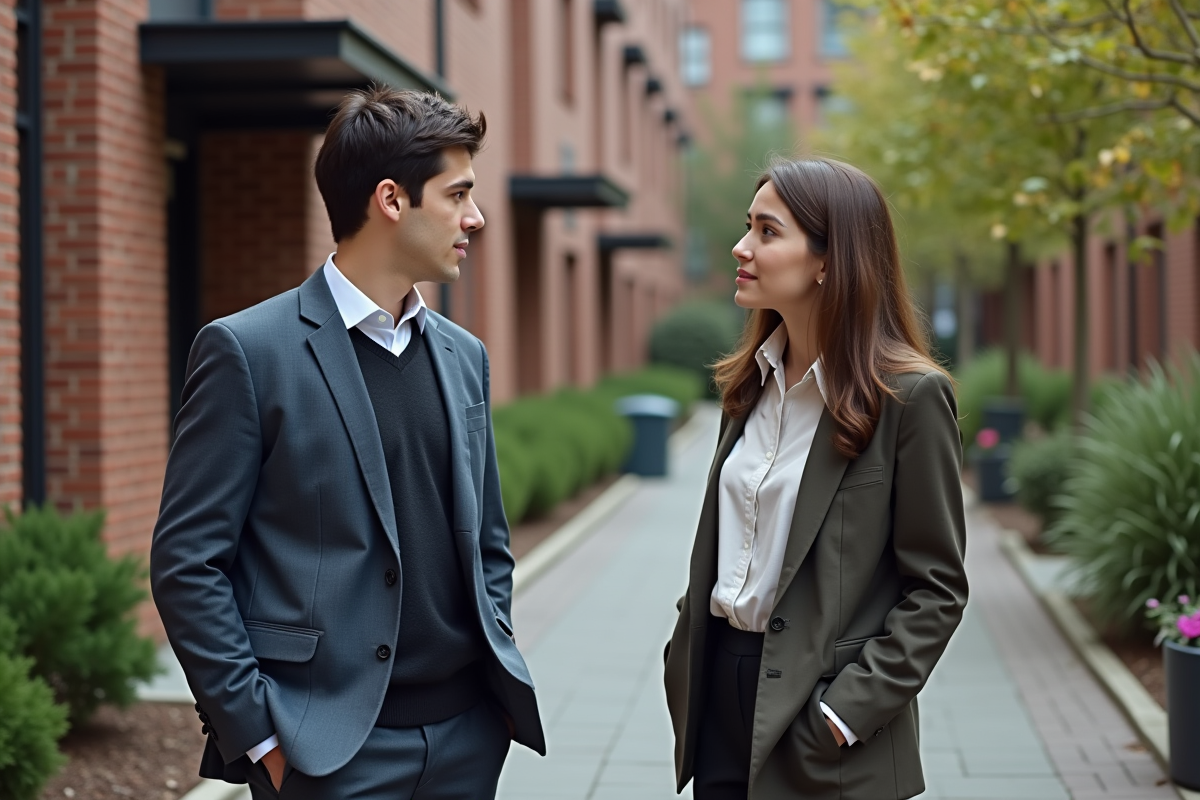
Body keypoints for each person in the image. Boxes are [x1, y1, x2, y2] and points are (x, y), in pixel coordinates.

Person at [150, 87, 544, 799]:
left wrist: (492, 693)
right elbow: (189, 563)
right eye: (457, 195)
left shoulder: (465, 357)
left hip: (468, 742)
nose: (475, 218)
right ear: (391, 200)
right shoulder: (247, 352)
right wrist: (260, 736)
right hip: (326, 757)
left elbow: (487, 540)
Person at [663, 157, 968, 800]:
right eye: (748, 227)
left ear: (831, 259)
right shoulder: (748, 387)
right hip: (719, 697)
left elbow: (937, 589)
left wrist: (844, 713)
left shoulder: (910, 399)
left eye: (768, 232)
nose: (742, 248)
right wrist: (684, 653)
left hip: (824, 720)